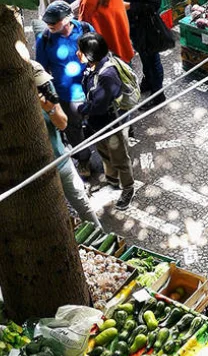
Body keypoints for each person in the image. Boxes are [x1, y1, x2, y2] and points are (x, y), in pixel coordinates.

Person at [31, 61, 103, 229]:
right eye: (38, 84)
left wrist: (49, 108)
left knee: (83, 205)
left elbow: (62, 124)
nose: (43, 86)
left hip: (61, 160)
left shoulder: (46, 88)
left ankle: (100, 236)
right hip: (36, 172)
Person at [36, 1, 96, 176]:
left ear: (68, 18)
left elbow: (98, 52)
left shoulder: (85, 29)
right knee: (73, 129)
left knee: (98, 121)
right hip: (67, 96)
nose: (50, 25)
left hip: (91, 89)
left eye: (54, 21)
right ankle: (83, 159)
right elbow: (41, 69)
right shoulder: (45, 40)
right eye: (48, 22)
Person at [77, 32, 136, 210]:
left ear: (90, 54)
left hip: (112, 123)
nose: (77, 54)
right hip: (99, 124)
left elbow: (99, 105)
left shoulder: (106, 75)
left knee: (119, 158)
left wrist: (80, 110)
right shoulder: (93, 66)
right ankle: (113, 179)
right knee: (103, 151)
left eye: (80, 51)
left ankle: (128, 188)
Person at [126, 0, 168, 106]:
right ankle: (148, 81)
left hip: (148, 25)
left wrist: (130, 6)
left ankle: (158, 95)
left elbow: (154, 4)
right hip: (135, 25)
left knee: (153, 59)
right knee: (144, 56)